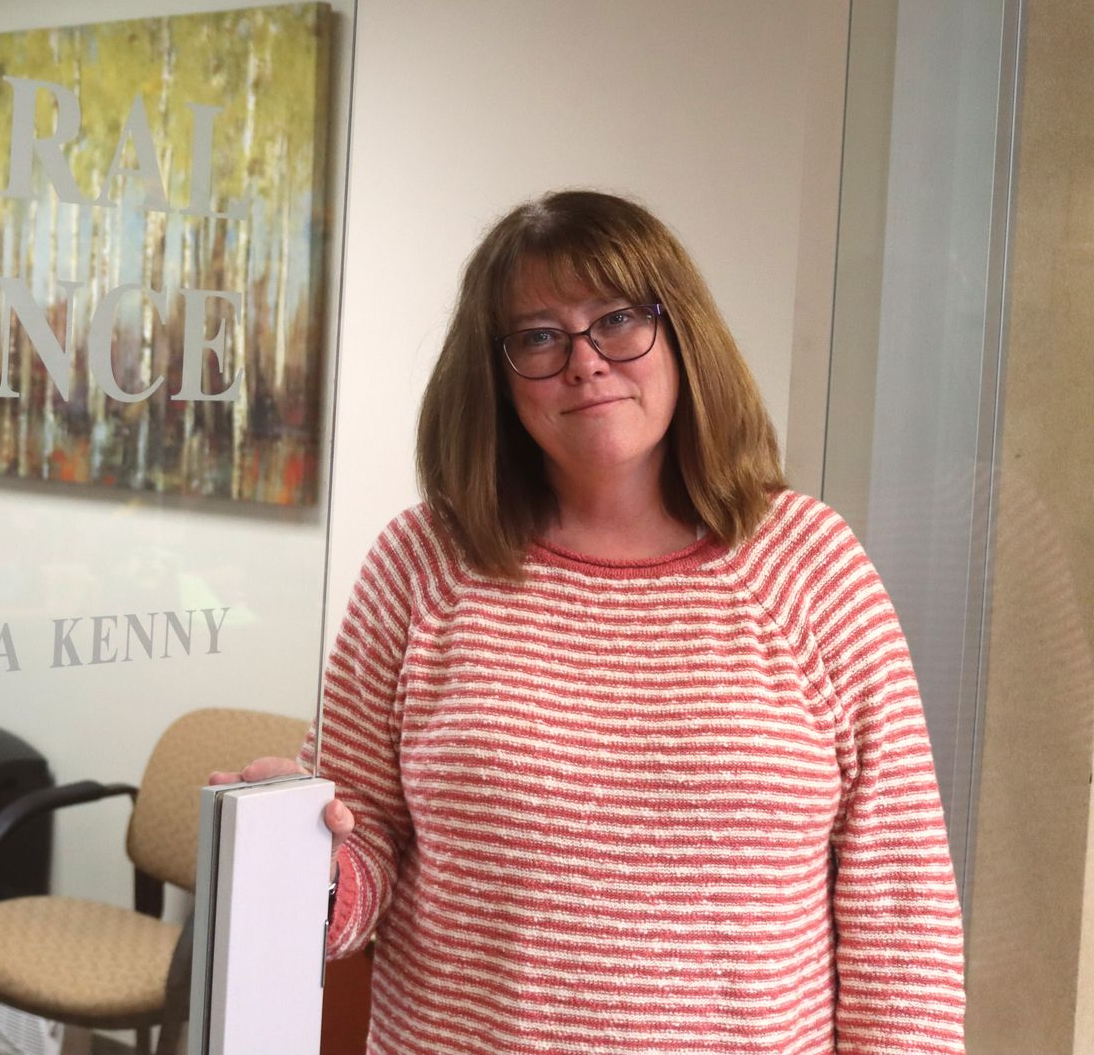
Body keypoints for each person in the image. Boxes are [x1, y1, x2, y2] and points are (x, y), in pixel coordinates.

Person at [219, 190, 966, 1053]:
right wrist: (289, 863)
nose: (585, 363)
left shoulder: (808, 563)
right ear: (495, 375)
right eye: (538, 336)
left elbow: (900, 904)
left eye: (617, 319)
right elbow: (366, 851)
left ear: (681, 334)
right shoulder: (423, 563)